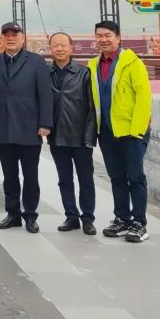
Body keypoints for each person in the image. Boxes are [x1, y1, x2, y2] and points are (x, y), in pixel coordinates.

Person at [88, 20, 152, 243]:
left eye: (108, 35)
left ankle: (139, 223)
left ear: (118, 37)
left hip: (130, 132)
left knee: (135, 177)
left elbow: (143, 98)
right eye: (99, 36)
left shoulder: (132, 63)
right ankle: (122, 219)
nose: (103, 40)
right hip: (106, 131)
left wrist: (138, 131)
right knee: (116, 177)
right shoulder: (93, 65)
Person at [0, 21, 53, 233]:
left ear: (22, 38)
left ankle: (30, 215)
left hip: (29, 128)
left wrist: (45, 123)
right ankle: (13, 214)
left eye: (14, 35)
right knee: (9, 176)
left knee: (30, 175)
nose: (10, 38)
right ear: (1, 38)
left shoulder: (36, 62)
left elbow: (45, 94)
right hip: (3, 127)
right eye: (6, 35)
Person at [48, 32, 97, 235]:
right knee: (64, 179)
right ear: (50, 49)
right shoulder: (45, 73)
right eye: (55, 45)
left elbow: (92, 107)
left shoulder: (84, 73)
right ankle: (71, 216)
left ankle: (88, 218)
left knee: (86, 179)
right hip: (57, 136)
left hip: (80, 136)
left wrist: (89, 136)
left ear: (71, 48)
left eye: (63, 45)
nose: (59, 49)